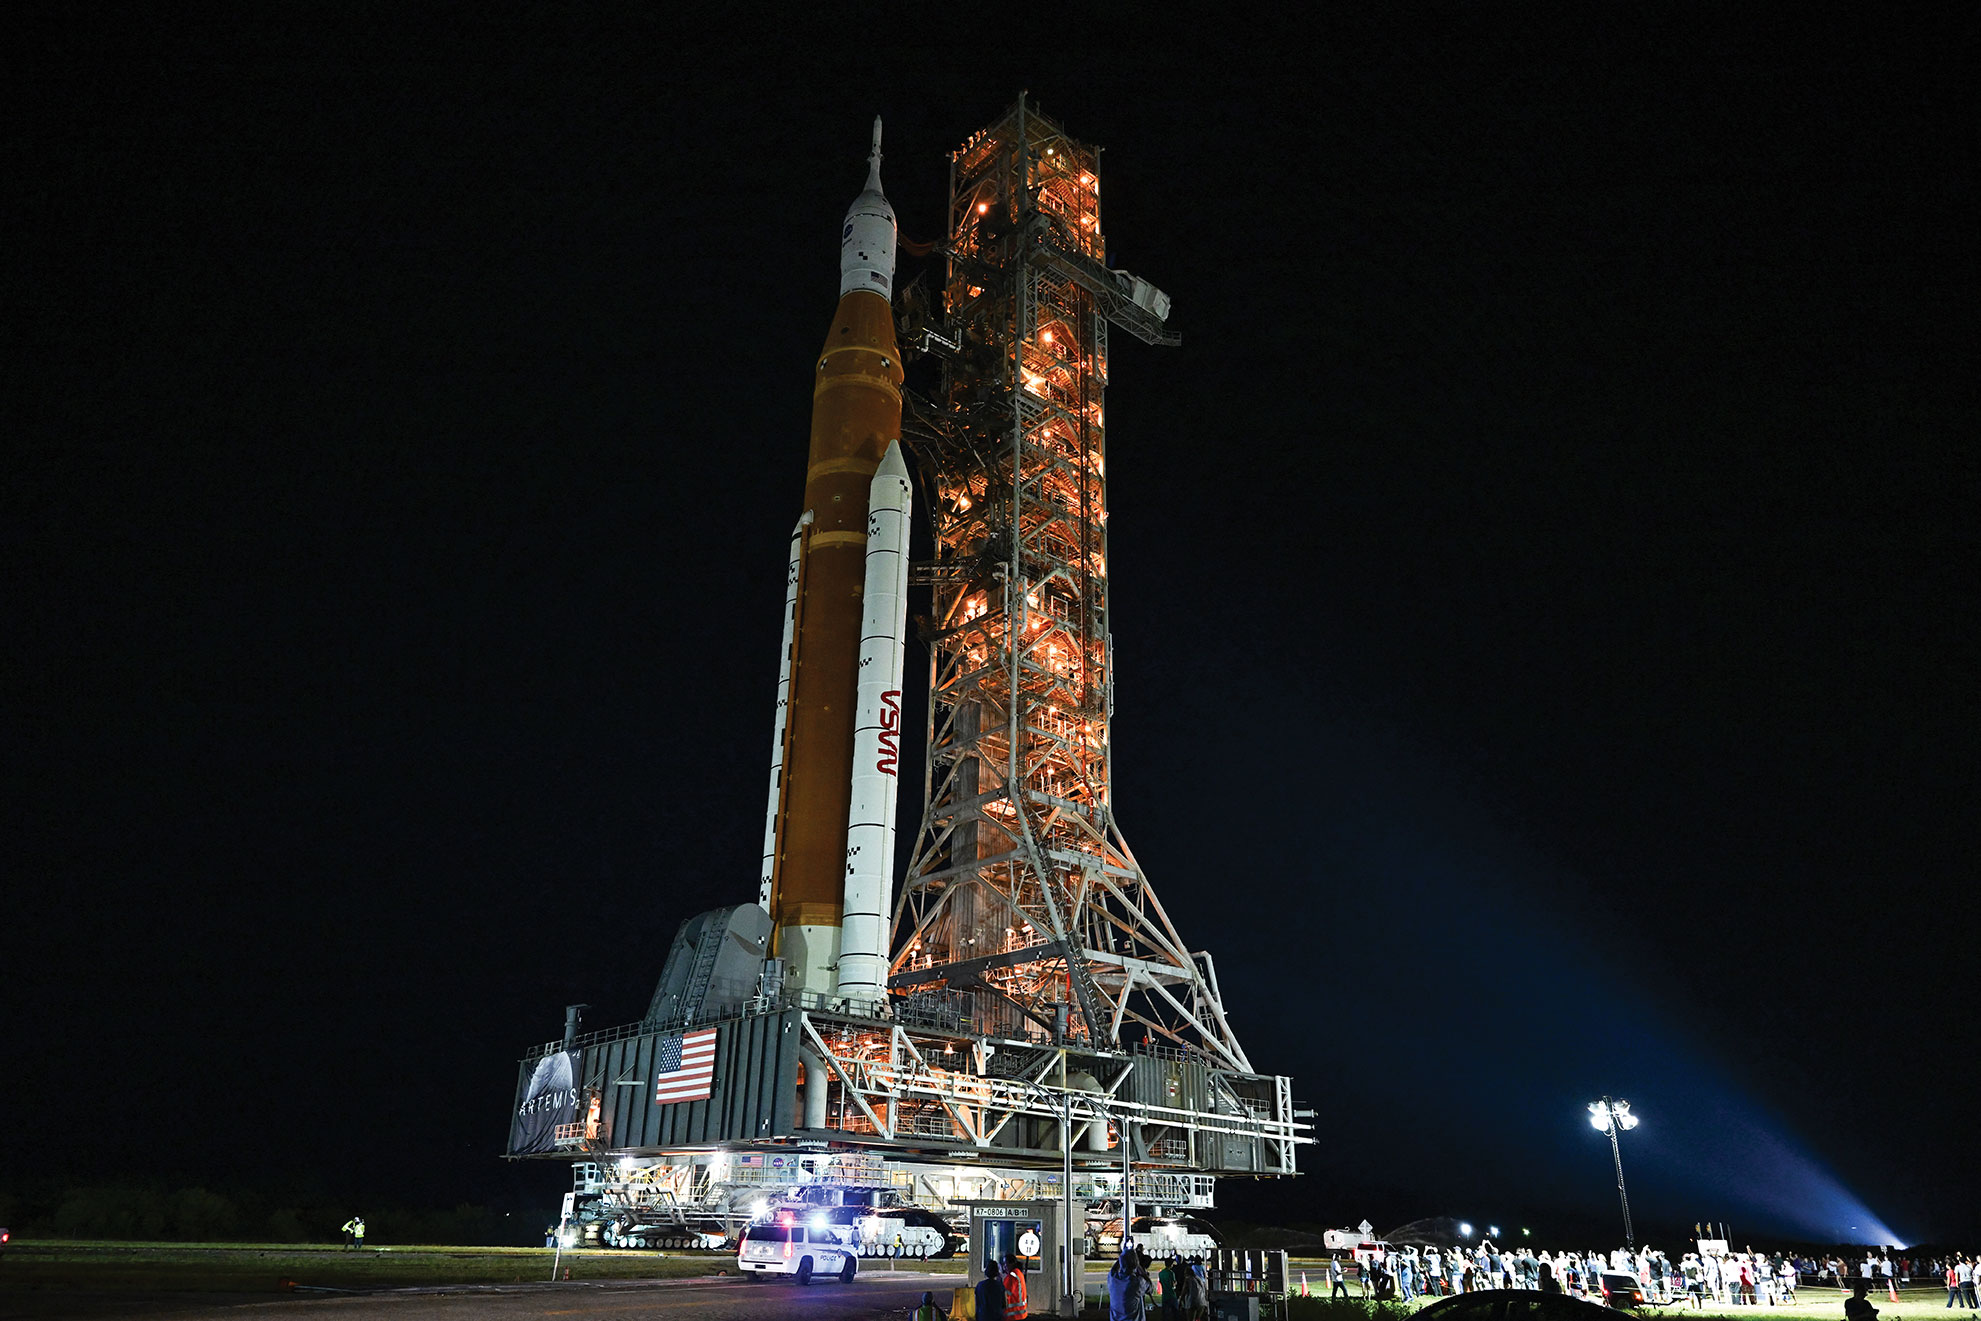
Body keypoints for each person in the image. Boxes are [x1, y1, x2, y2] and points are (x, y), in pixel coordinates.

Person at [1107, 1244, 1149, 1321]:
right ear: (1135, 1263)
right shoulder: (1137, 1283)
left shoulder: (1112, 1279)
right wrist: (1138, 1265)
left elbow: (1113, 1270)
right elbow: (1149, 1285)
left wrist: (1123, 1253)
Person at [1002, 1253, 1029, 1320]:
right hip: (1021, 1313)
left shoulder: (1011, 1276)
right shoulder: (1018, 1273)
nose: (1004, 1266)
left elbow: (1004, 1295)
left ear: (1011, 1263)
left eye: (1005, 1263)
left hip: (1013, 1315)